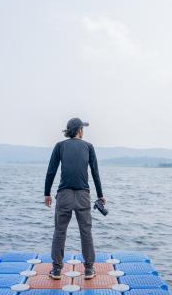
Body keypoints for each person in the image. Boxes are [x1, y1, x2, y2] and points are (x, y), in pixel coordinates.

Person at [44, 118, 106, 280]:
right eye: (82, 128)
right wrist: (100, 195)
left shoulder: (60, 146)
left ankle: (57, 271)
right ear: (79, 130)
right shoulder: (89, 147)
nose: (83, 130)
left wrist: (47, 193)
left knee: (59, 232)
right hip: (83, 195)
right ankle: (89, 270)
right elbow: (95, 172)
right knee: (86, 232)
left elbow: (51, 171)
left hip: (64, 195)